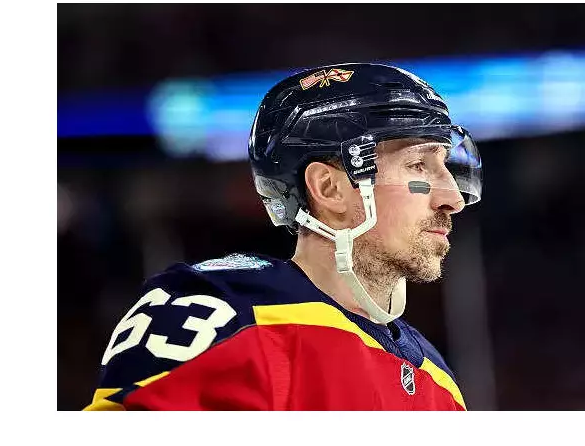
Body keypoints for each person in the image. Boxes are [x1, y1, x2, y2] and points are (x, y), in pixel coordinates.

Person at [84, 63, 483, 410]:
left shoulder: (439, 381)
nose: (452, 198)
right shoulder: (223, 317)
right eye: (418, 166)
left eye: (445, 166)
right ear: (329, 188)